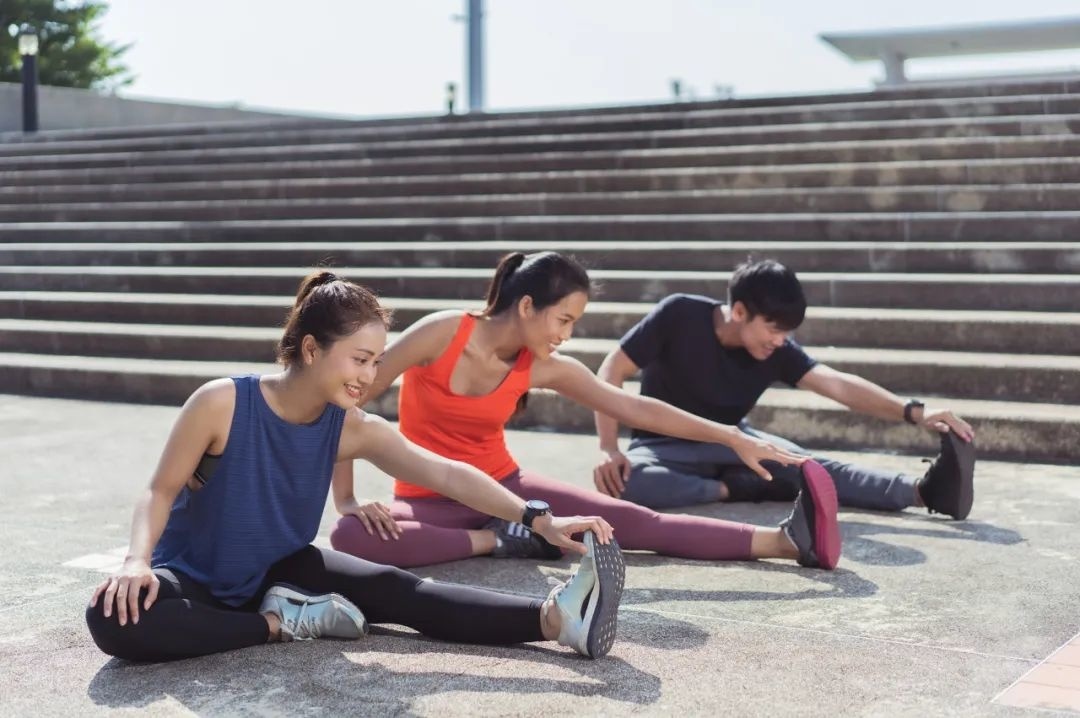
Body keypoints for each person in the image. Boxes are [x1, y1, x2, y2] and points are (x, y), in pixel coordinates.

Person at [85, 270, 626, 662]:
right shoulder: (222, 403)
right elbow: (159, 490)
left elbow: (446, 473)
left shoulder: (351, 426)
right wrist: (137, 561)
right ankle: (278, 624)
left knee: (399, 591)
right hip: (193, 577)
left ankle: (558, 619)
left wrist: (537, 518)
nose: (370, 376)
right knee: (113, 619)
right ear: (314, 349)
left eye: (376, 361)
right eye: (360, 360)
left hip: (280, 567)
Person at [330, 251, 841, 571]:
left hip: (508, 488)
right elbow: (349, 394)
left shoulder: (545, 365)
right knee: (349, 535)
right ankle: (496, 542)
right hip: (428, 502)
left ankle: (786, 542)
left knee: (635, 523)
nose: (566, 334)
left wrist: (730, 436)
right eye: (564, 319)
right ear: (527, 305)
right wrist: (349, 498)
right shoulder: (442, 333)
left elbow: (631, 405)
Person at [592, 259, 976, 520]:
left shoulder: (775, 351)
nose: (780, 341)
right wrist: (609, 447)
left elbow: (835, 384)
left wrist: (914, 411)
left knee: (808, 466)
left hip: (736, 443)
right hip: (662, 448)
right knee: (628, 483)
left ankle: (923, 492)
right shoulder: (679, 314)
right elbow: (612, 368)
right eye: (774, 329)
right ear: (739, 312)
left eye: (787, 333)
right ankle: (736, 490)